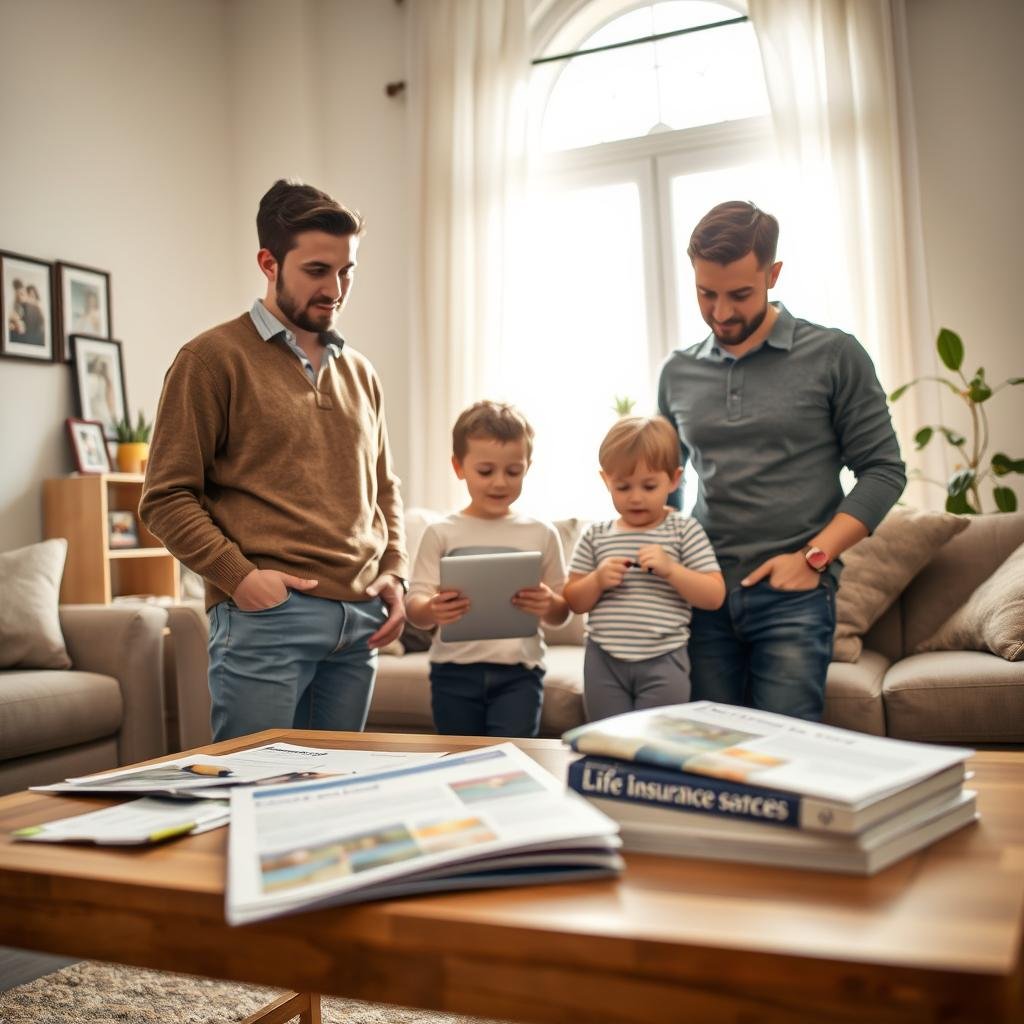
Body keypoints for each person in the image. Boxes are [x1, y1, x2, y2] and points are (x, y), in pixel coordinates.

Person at [140, 178, 407, 742]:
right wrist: (241, 579)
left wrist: (395, 573)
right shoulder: (210, 359)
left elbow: (384, 489)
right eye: (317, 270)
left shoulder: (362, 372)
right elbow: (165, 497)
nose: (336, 288)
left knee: (331, 800)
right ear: (269, 262)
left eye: (347, 270)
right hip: (267, 617)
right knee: (251, 795)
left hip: (359, 621)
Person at [657, 200, 906, 722]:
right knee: (711, 753)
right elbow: (666, 487)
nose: (722, 312)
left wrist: (814, 558)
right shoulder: (678, 372)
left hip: (794, 597)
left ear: (773, 274)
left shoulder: (836, 356)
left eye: (740, 295)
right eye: (706, 294)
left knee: (787, 756)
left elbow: (883, 470)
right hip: (705, 596)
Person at [405, 401, 569, 737]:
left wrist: (549, 603)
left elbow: (562, 611)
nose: (499, 483)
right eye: (485, 471)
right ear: (458, 467)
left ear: (528, 467)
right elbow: (415, 607)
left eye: (513, 471)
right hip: (452, 673)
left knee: (513, 759)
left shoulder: (541, 533)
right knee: (457, 759)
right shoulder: (441, 532)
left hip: (519, 674)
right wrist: (432, 609)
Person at [563, 416, 725, 721]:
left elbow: (714, 596)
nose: (636, 497)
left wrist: (672, 570)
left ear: (674, 480)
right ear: (605, 480)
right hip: (603, 660)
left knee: (659, 744)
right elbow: (573, 600)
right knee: (604, 741)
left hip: (665, 659)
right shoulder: (596, 535)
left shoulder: (683, 530)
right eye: (622, 487)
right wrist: (597, 580)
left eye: (649, 486)